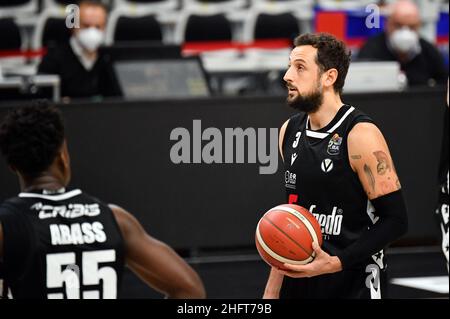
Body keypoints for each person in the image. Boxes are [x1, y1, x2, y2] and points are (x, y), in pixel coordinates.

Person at [0, 102, 205, 299]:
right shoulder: (115, 219)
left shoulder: (7, 225)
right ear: (63, 156)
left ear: (13, 166)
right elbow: (190, 289)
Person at [263, 33, 408, 299]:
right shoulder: (289, 131)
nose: (287, 76)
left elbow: (396, 221)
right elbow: (290, 218)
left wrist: (335, 262)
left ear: (329, 77)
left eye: (300, 67)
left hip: (355, 281)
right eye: (289, 65)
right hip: (303, 280)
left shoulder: (360, 135)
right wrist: (271, 292)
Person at [38, 0, 121, 99]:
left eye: (98, 27)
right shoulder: (53, 60)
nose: (92, 32)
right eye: (86, 26)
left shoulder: (109, 59)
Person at [357, 0, 447, 87]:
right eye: (398, 25)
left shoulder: (429, 52)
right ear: (387, 24)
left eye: (412, 27)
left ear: (419, 26)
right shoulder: (370, 52)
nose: (405, 32)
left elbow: (443, 86)